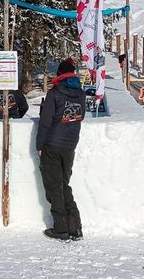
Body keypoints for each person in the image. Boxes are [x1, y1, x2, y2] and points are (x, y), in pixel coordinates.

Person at [36, 57, 86, 241]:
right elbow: (81, 117)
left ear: (60, 75)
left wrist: (39, 145)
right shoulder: (80, 94)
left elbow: (45, 122)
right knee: (64, 184)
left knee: (54, 187)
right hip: (70, 145)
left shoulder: (54, 93)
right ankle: (75, 226)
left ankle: (61, 228)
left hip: (52, 145)